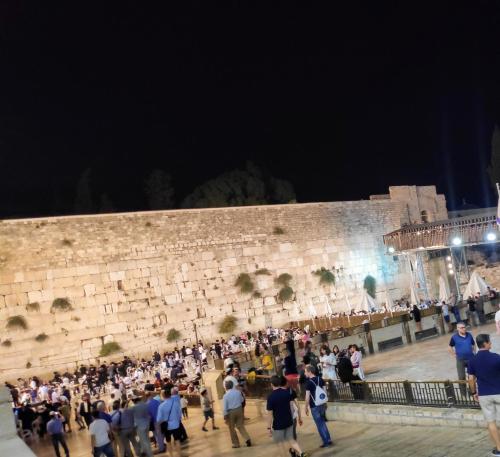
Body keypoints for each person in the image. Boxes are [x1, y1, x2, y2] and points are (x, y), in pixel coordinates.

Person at [467, 333, 500, 456]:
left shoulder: (472, 360)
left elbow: (470, 379)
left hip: (484, 395)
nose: (491, 343)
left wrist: (474, 392)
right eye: (490, 342)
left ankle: (499, 449)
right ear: (485, 343)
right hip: (499, 392)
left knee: (491, 422)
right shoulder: (496, 357)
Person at [266, 375, 307, 457]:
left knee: (281, 444)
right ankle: (301, 453)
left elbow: (270, 414)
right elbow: (292, 406)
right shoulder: (287, 393)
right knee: (291, 439)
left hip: (278, 424)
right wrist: (297, 417)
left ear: (271, 384)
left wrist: (268, 428)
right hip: (289, 421)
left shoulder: (270, 397)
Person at [304, 365, 332, 448]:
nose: (305, 373)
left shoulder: (308, 383)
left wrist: (306, 407)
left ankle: (326, 442)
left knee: (319, 424)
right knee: (323, 422)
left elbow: (307, 397)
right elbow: (325, 391)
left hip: (314, 405)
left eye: (305, 371)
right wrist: (325, 402)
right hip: (322, 403)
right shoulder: (321, 379)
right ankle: (328, 439)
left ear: (309, 372)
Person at [448, 322, 476, 396]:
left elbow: (473, 344)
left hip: (470, 359)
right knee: (461, 377)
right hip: (460, 360)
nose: (464, 329)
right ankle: (463, 394)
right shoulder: (454, 337)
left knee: (472, 376)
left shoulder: (469, 335)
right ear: (457, 329)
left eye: (464, 327)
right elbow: (449, 347)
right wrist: (454, 355)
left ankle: (472, 393)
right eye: (462, 328)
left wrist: (474, 352)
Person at [222, 380, 251, 449]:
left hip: (231, 412)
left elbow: (225, 407)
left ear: (226, 387)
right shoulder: (238, 392)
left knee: (232, 428)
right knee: (240, 426)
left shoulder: (225, 395)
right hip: (239, 409)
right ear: (232, 385)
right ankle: (247, 439)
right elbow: (242, 400)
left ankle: (236, 444)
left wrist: (225, 416)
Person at [157, 386, 183, 457]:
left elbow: (159, 419)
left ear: (164, 396)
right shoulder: (176, 403)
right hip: (176, 425)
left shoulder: (161, 406)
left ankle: (171, 455)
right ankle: (179, 455)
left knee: (168, 442)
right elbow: (180, 415)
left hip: (166, 426)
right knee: (177, 441)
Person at [133, 393, 153, 457]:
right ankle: (145, 452)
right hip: (147, 424)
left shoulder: (134, 408)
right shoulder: (145, 404)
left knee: (144, 441)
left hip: (140, 426)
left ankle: (149, 454)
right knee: (147, 440)